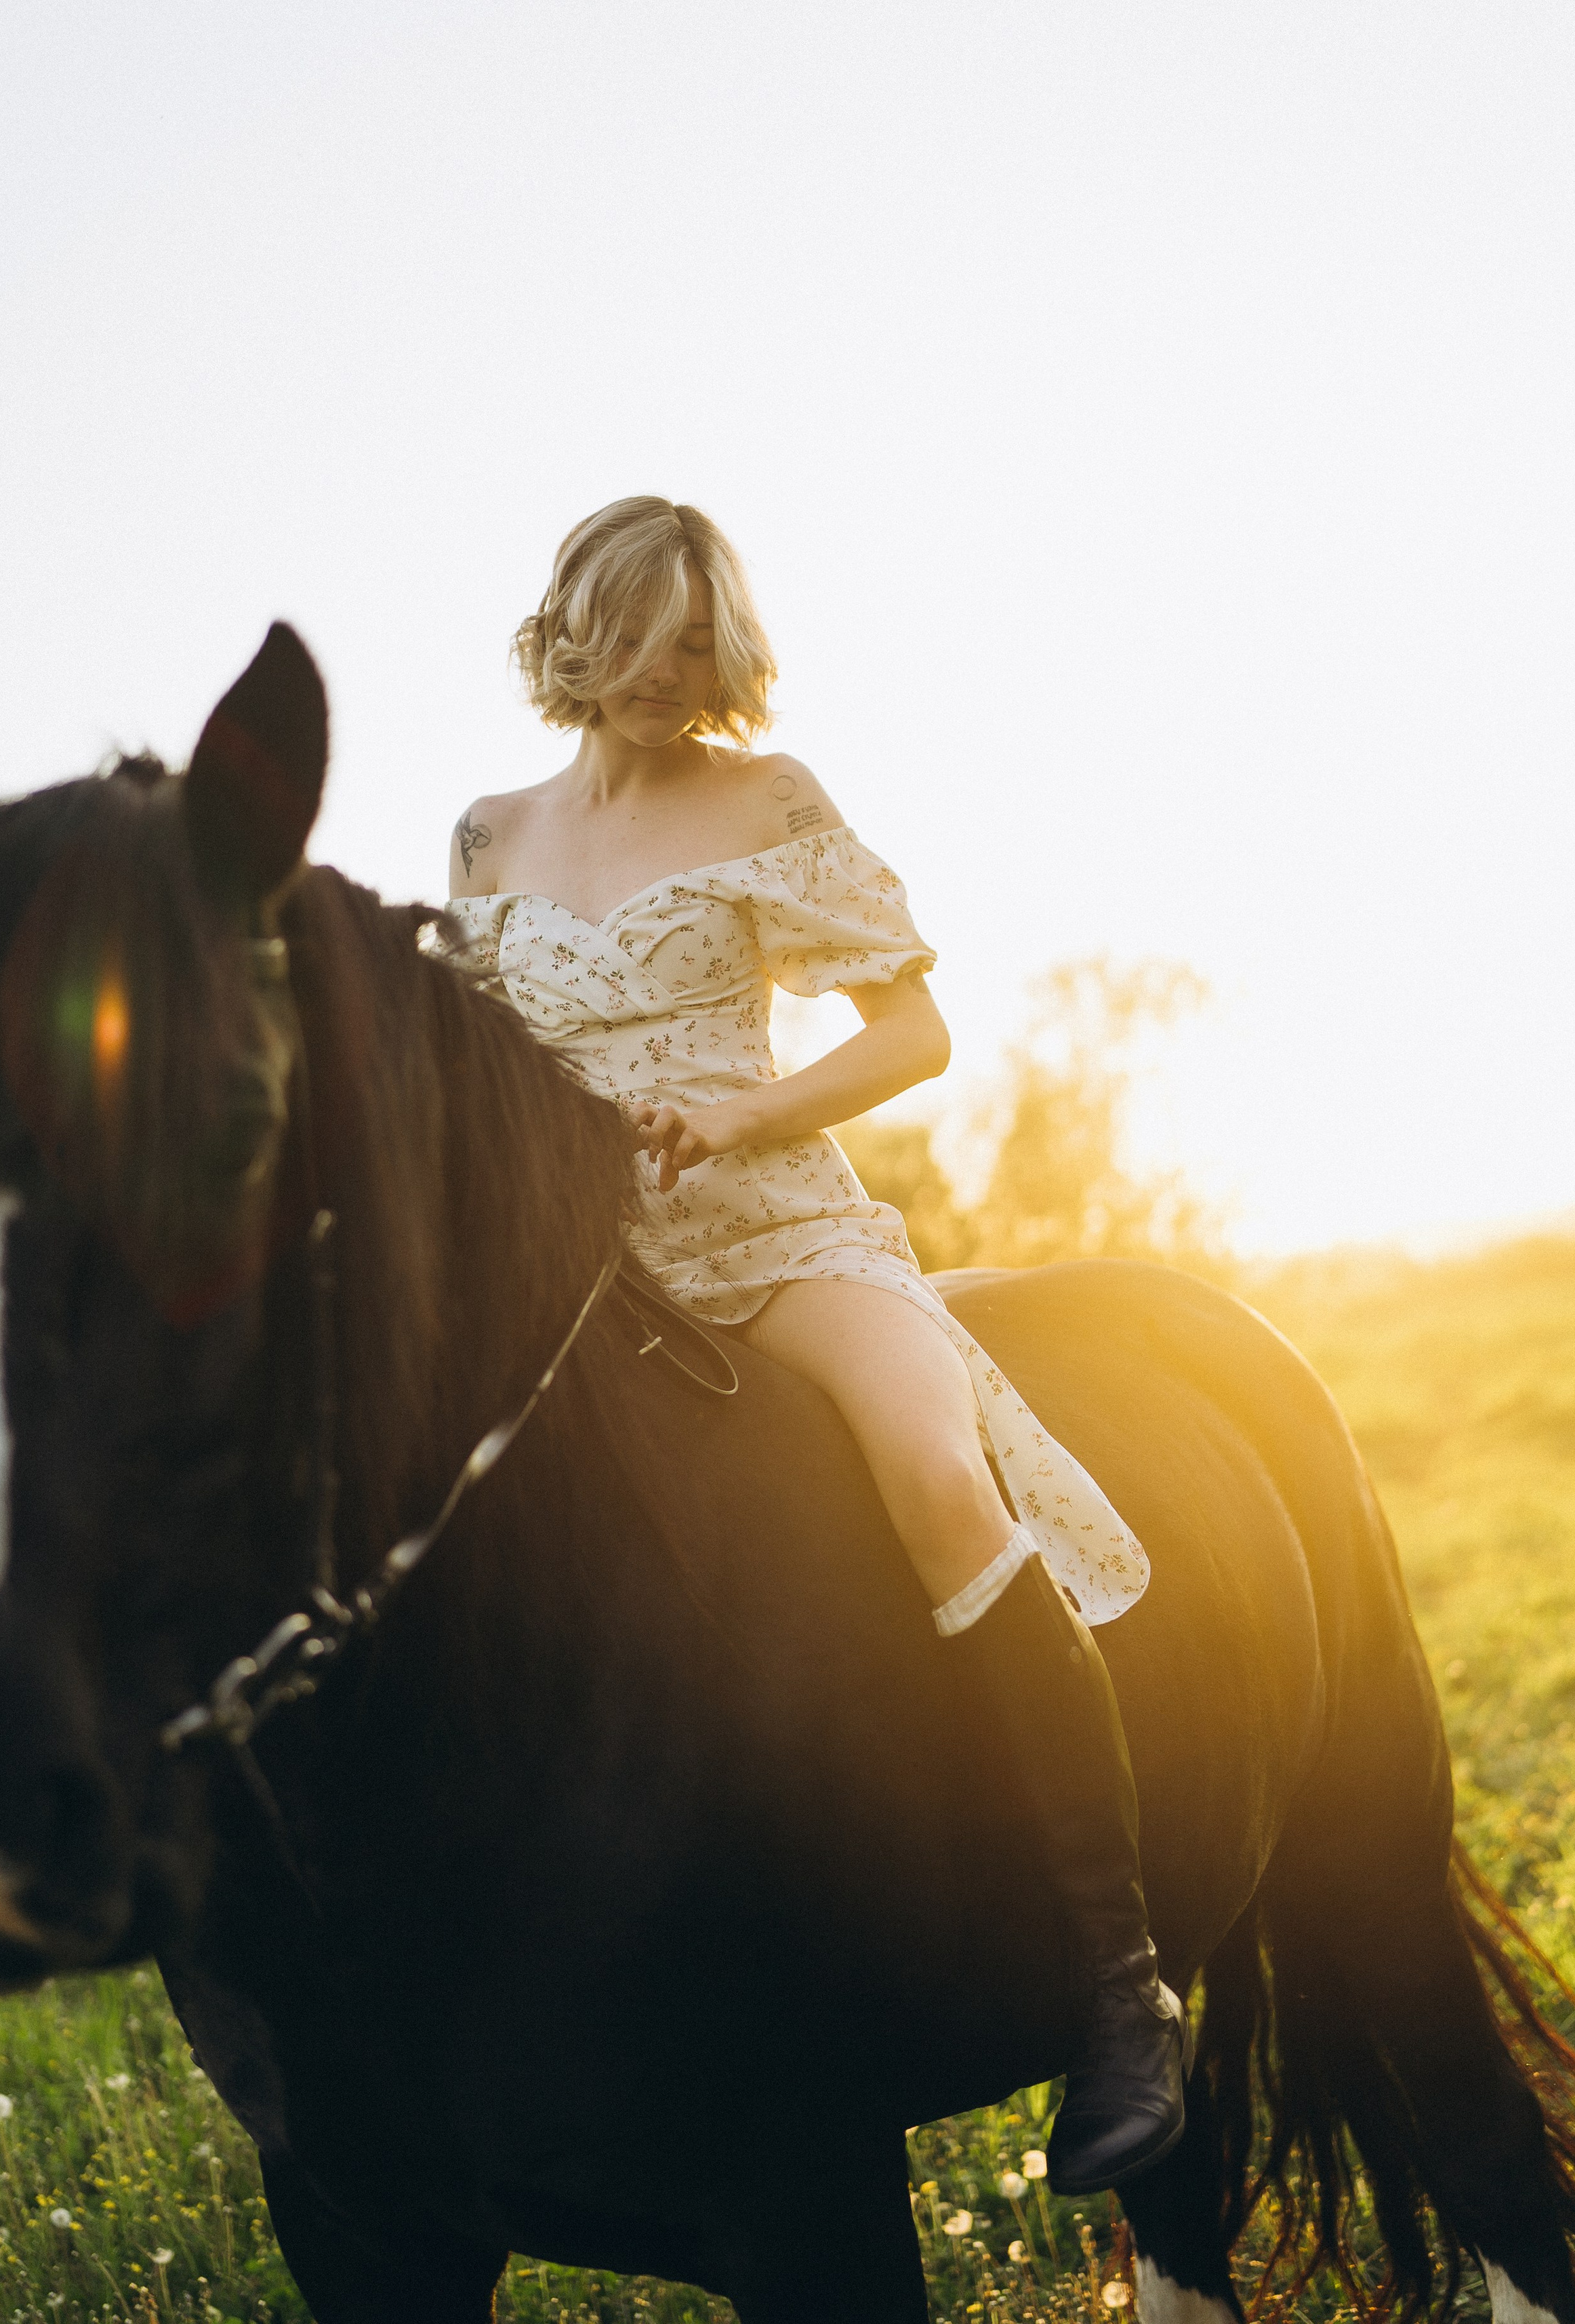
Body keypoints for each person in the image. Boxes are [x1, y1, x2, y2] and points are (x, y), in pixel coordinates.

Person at [445, 495, 1187, 2192]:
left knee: (937, 1470)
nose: (664, 672)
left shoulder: (771, 800)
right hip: (564, 1279)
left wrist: (745, 1105)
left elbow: (913, 1030)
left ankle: (1118, 1985)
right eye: (635, 636)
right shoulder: (484, 837)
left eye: (696, 641)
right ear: (572, 630)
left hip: (779, 1235)